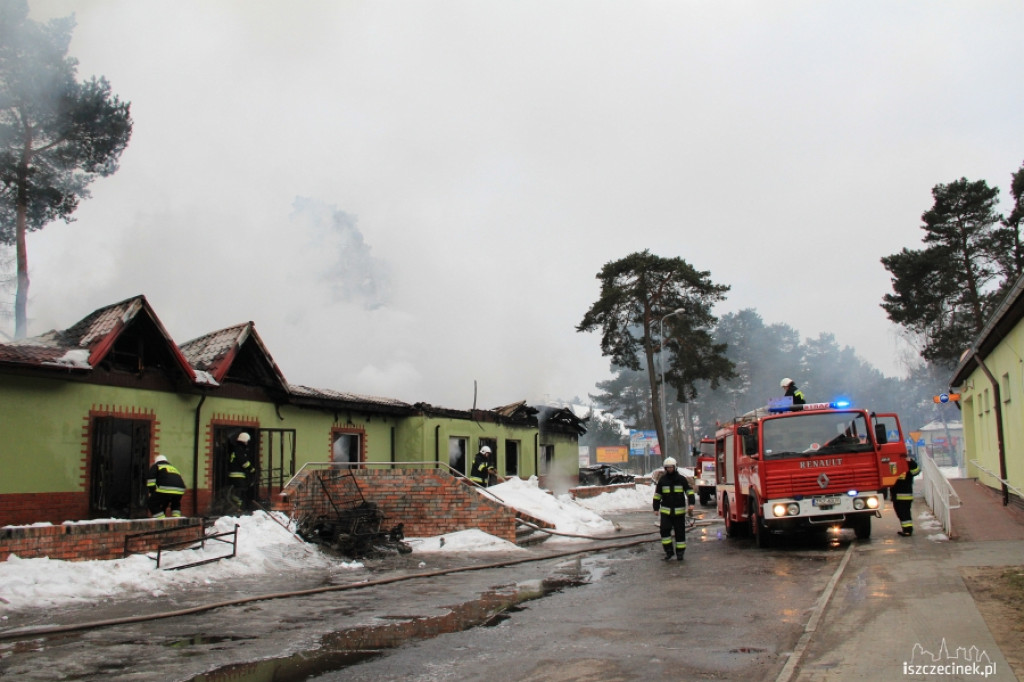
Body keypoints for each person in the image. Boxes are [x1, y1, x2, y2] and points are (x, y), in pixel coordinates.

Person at [652, 457, 695, 561]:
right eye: (667, 468)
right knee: (664, 531)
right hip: (666, 512)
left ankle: (680, 553)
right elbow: (657, 495)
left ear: (675, 467)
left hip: (679, 513)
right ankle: (668, 551)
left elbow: (689, 491)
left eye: (671, 467)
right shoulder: (662, 480)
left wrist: (691, 503)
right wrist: (656, 508)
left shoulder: (681, 479)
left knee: (680, 533)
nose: (669, 469)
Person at [892, 456, 920, 536]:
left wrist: (911, 462)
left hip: (905, 496)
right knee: (901, 513)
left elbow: (916, 471)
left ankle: (908, 531)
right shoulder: (893, 464)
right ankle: (906, 530)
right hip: (896, 496)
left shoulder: (908, 463)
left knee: (904, 514)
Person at [228, 432, 255, 511]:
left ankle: (238, 507)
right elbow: (244, 462)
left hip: (235, 475)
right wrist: (251, 469)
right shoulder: (240, 450)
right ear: (244, 441)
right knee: (240, 492)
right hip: (238, 476)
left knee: (239, 492)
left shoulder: (236, 448)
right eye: (247, 441)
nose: (247, 443)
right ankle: (238, 509)